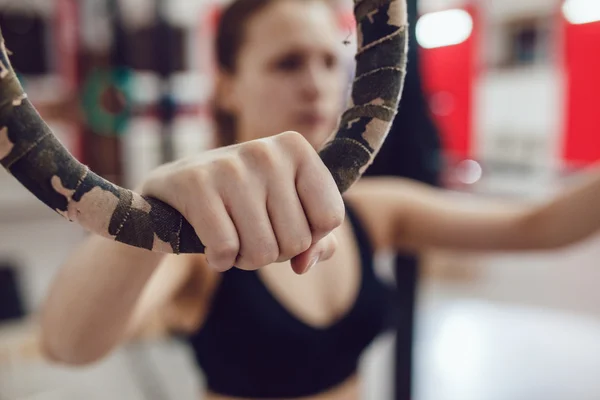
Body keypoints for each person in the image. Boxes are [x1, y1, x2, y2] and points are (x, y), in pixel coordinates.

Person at [40, 0, 600, 399]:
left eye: (330, 61)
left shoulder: (375, 211)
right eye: (288, 62)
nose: (315, 83)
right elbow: (68, 344)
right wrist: (149, 216)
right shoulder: (203, 234)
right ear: (228, 84)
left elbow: (538, 227)